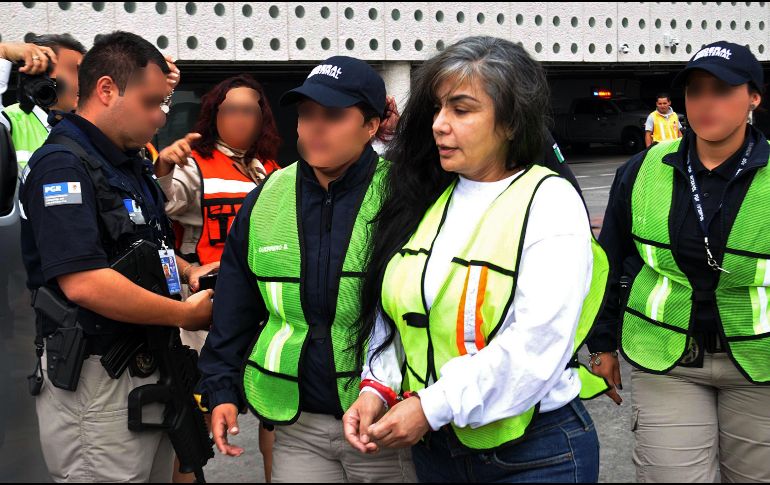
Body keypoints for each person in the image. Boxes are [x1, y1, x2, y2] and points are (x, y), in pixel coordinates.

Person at [342, 36, 609, 483]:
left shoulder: (549, 201)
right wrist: (378, 388)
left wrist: (430, 406)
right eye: (437, 109)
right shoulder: (425, 198)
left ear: (510, 122)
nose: (439, 125)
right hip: (437, 451)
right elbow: (401, 315)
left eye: (461, 110)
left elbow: (535, 345)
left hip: (536, 456)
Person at [197, 56, 415, 483]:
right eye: (307, 115)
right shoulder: (266, 197)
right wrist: (221, 386)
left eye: (333, 116)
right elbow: (236, 305)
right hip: (299, 427)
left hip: (386, 424)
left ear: (371, 126)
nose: (315, 127)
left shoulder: (404, 196)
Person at [19, 31, 212, 483]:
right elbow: (84, 282)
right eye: (151, 102)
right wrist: (184, 313)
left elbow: (143, 246)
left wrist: (189, 271)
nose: (161, 117)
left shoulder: (126, 162)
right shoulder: (63, 165)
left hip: (145, 365)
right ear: (107, 90)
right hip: (97, 376)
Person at [587, 41, 770, 482]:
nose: (706, 103)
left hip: (760, 361)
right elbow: (610, 259)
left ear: (754, 98)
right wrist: (603, 343)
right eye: (696, 90)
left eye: (722, 90)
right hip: (667, 359)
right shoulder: (640, 169)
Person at [154, 73, 282, 482]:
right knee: (193, 421)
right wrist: (162, 169)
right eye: (231, 110)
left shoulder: (272, 170)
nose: (240, 119)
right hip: (206, 309)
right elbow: (157, 216)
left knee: (274, 411)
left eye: (250, 110)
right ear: (215, 114)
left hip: (264, 308)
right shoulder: (194, 163)